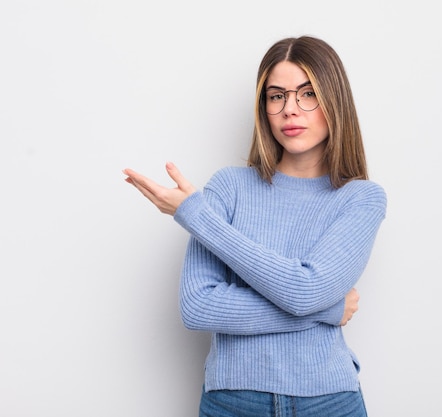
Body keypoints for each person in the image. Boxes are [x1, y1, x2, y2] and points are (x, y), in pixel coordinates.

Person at [123, 35, 387, 417]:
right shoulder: (229, 187)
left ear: (335, 101)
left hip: (328, 402)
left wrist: (197, 217)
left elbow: (305, 291)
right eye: (276, 95)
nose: (289, 110)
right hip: (232, 401)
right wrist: (327, 309)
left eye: (307, 93)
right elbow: (198, 307)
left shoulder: (361, 198)